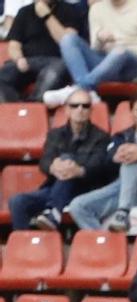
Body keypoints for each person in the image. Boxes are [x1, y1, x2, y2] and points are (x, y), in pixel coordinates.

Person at [63, 89, 137, 234]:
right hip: (123, 192)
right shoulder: (121, 136)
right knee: (78, 206)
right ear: (132, 112)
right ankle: (106, 243)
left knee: (133, 157)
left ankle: (123, 212)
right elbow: (105, 162)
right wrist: (114, 158)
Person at [9, 86, 108, 232]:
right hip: (55, 188)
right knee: (17, 201)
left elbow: (99, 165)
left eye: (85, 106)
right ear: (67, 110)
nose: (80, 109)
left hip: (84, 191)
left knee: (67, 159)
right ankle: (25, 248)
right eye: (75, 106)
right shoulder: (55, 134)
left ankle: (53, 211)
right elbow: (44, 161)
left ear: (91, 111)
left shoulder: (101, 136)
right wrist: (53, 167)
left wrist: (79, 170)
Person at [46, 0, 137, 104]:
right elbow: (95, 48)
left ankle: (78, 90)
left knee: (119, 52)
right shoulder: (96, 8)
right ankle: (88, 92)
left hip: (135, 65)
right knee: (67, 39)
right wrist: (100, 39)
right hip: (105, 61)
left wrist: (123, 48)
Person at [0, 0, 87, 105]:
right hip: (27, 61)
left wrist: (47, 16)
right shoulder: (24, 12)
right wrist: (19, 59)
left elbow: (66, 41)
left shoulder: (69, 10)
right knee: (3, 75)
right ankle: (17, 109)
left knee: (53, 72)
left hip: (57, 61)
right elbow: (14, 45)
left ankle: (34, 106)